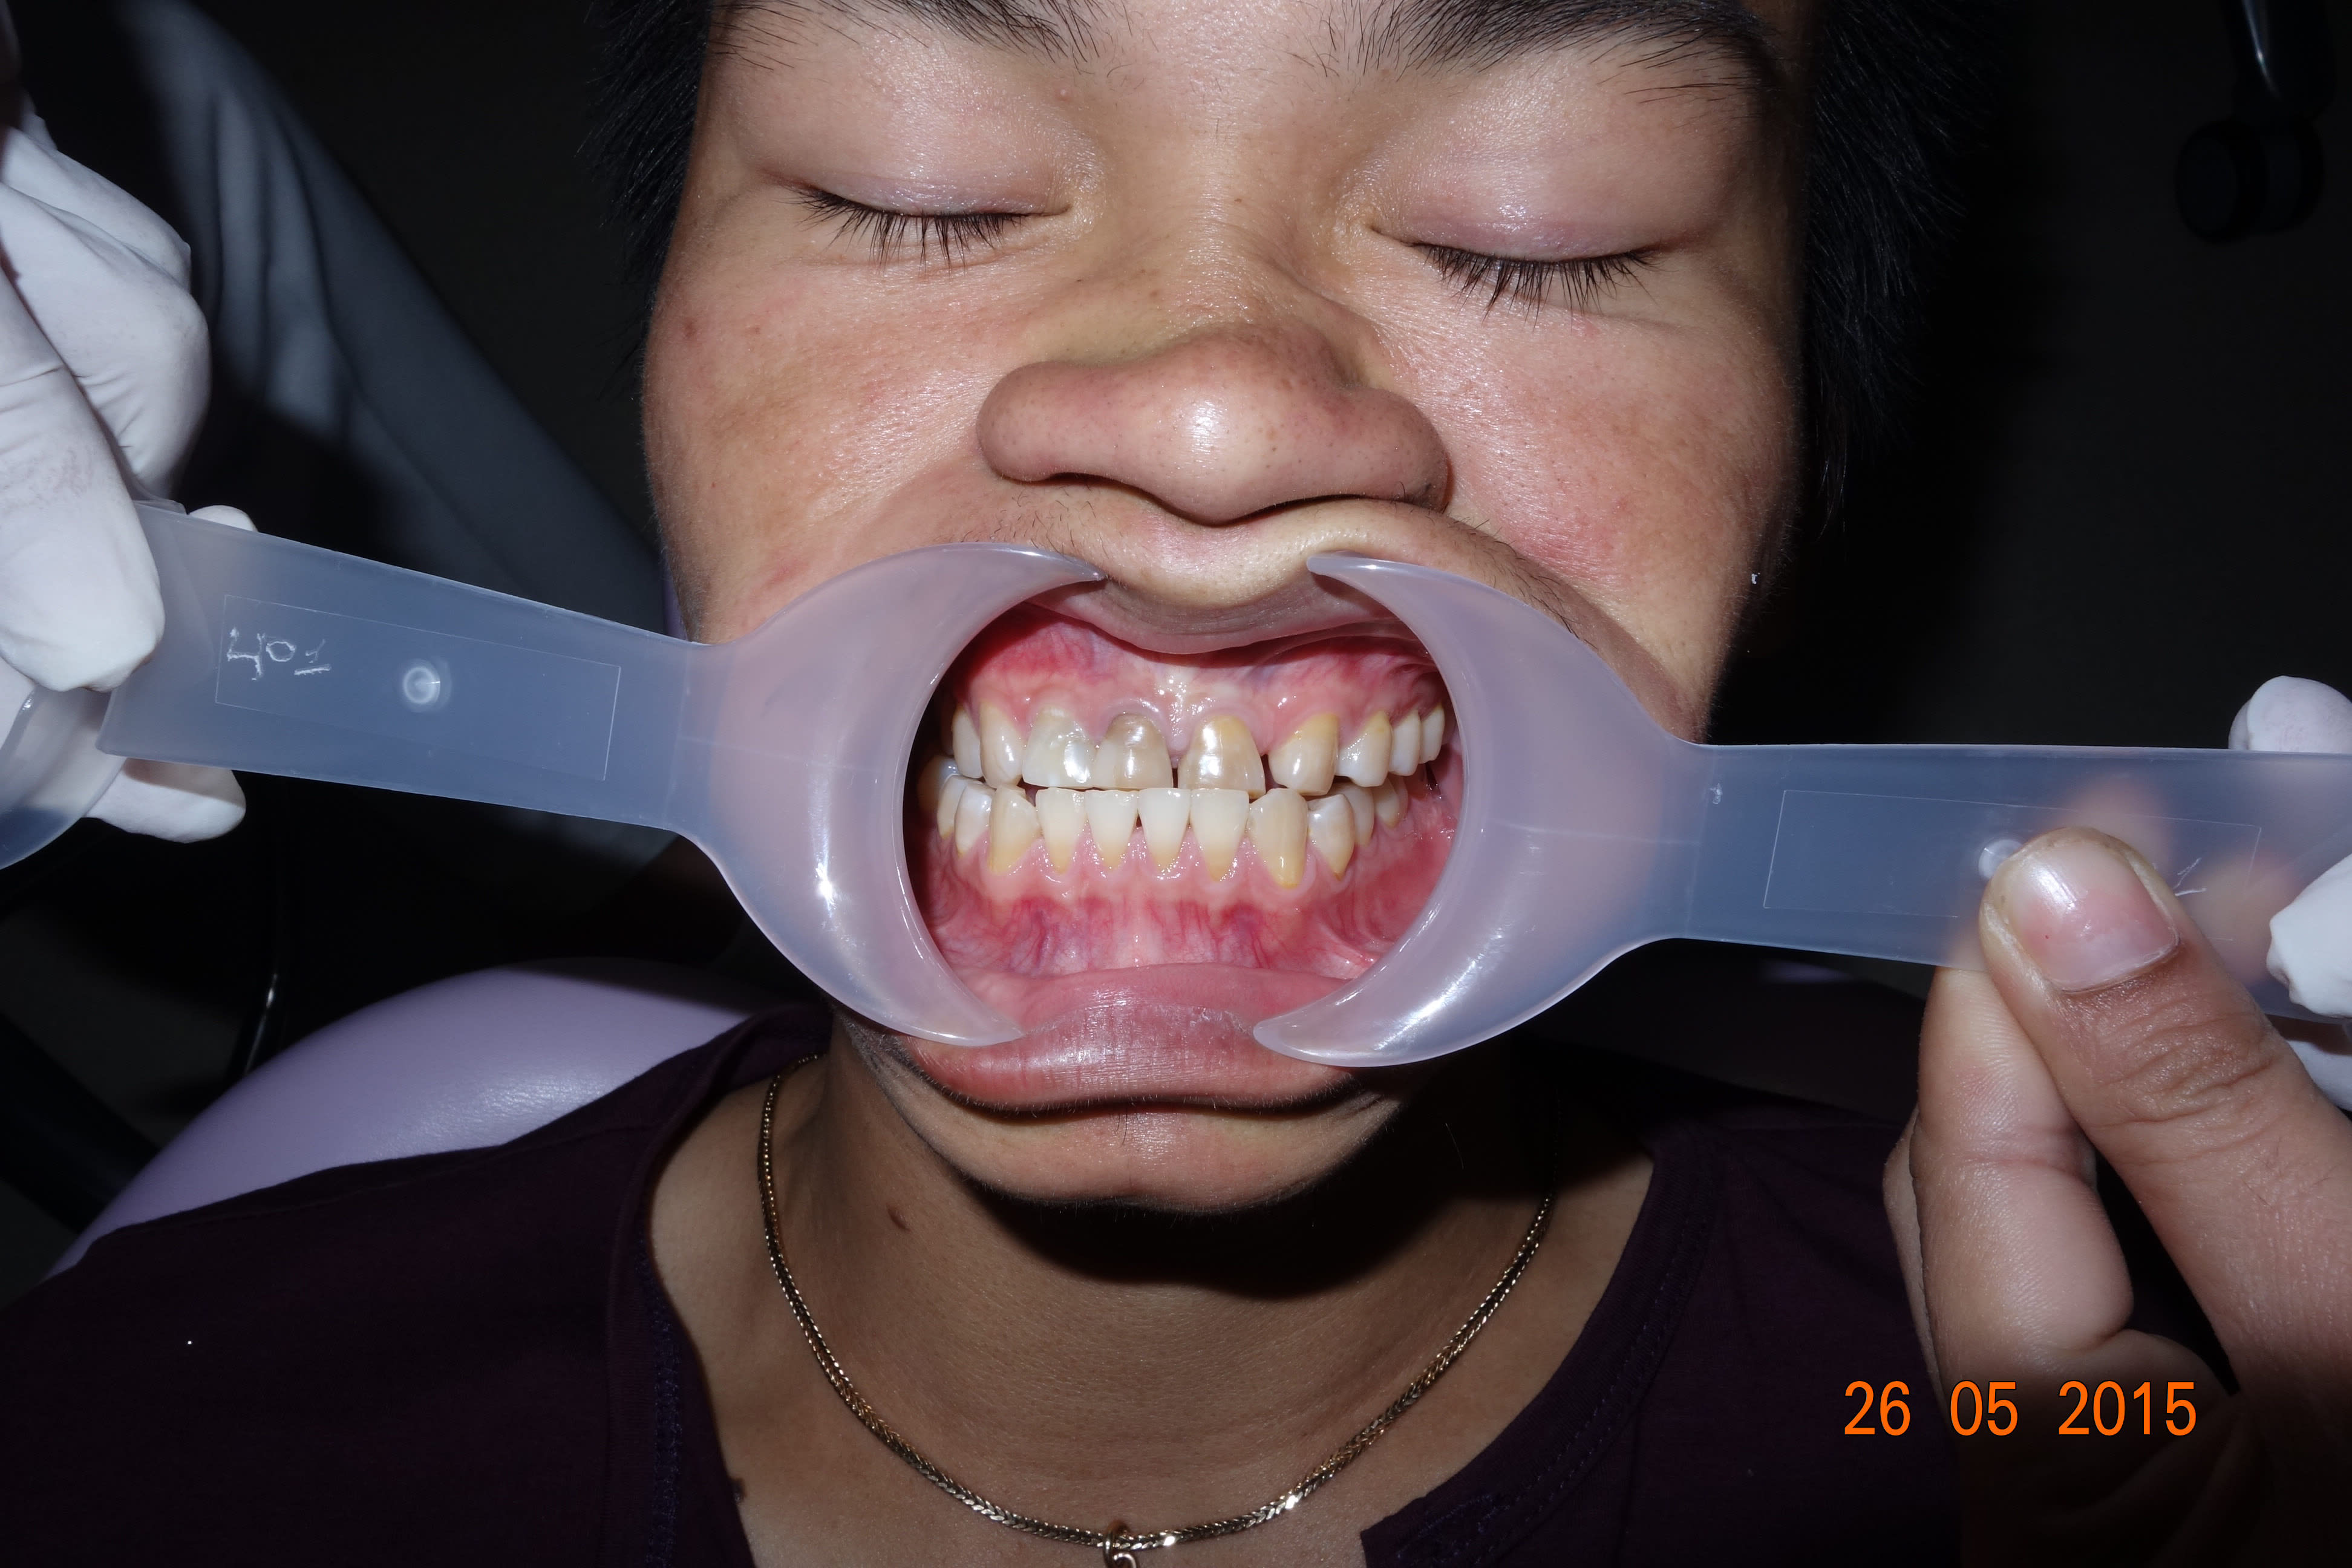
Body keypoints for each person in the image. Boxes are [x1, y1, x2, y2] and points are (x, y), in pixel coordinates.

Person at [1, 1, 2347, 1563]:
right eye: (915, 178)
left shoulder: (1993, 1408)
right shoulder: (146, 1459)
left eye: (1544, 221)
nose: (1213, 407)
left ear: (1801, 469)